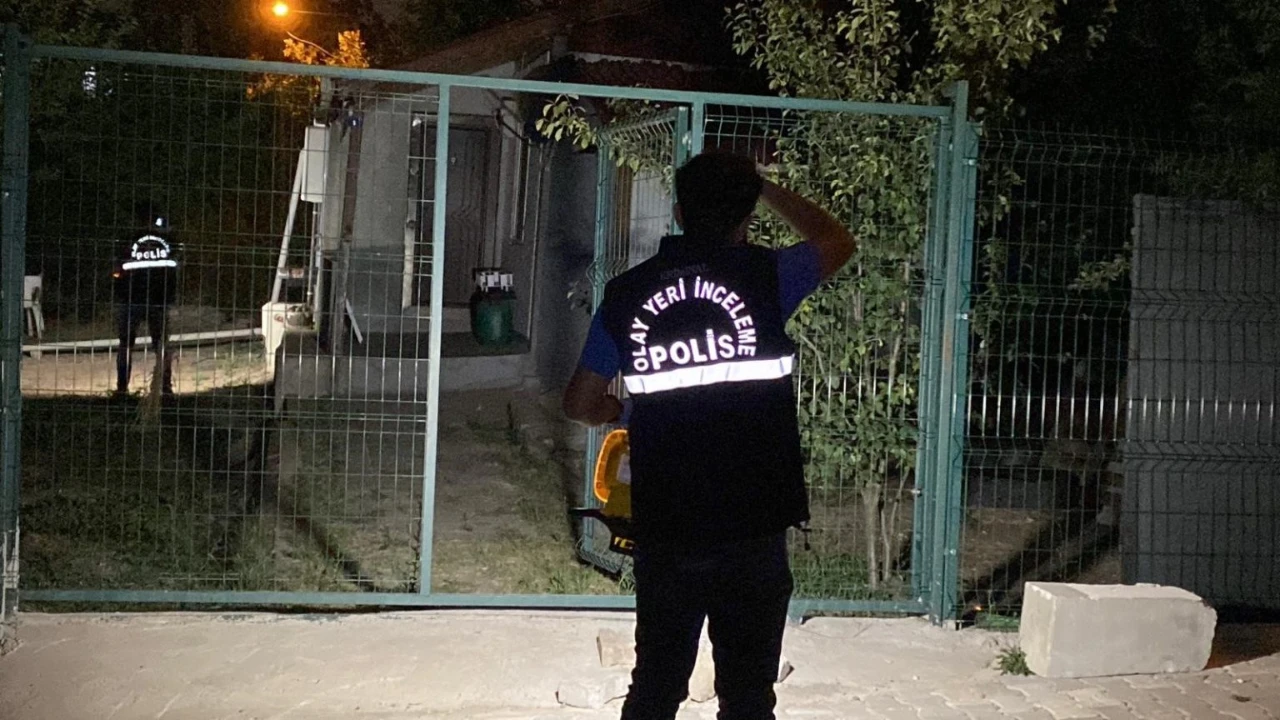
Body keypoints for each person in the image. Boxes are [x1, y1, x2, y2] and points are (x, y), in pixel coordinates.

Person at [562, 152, 857, 720]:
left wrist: (614, 409)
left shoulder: (627, 294)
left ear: (678, 212)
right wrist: (763, 186)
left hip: (669, 522)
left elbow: (578, 402)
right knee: (747, 698)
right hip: (753, 521)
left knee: (655, 689)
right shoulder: (768, 277)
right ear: (747, 216)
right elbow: (836, 239)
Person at [113, 203, 178, 398]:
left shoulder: (127, 240)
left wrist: (120, 288)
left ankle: (122, 388)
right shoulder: (167, 240)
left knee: (126, 344)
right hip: (158, 299)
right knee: (161, 344)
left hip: (131, 298)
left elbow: (117, 269)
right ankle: (165, 387)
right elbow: (175, 267)